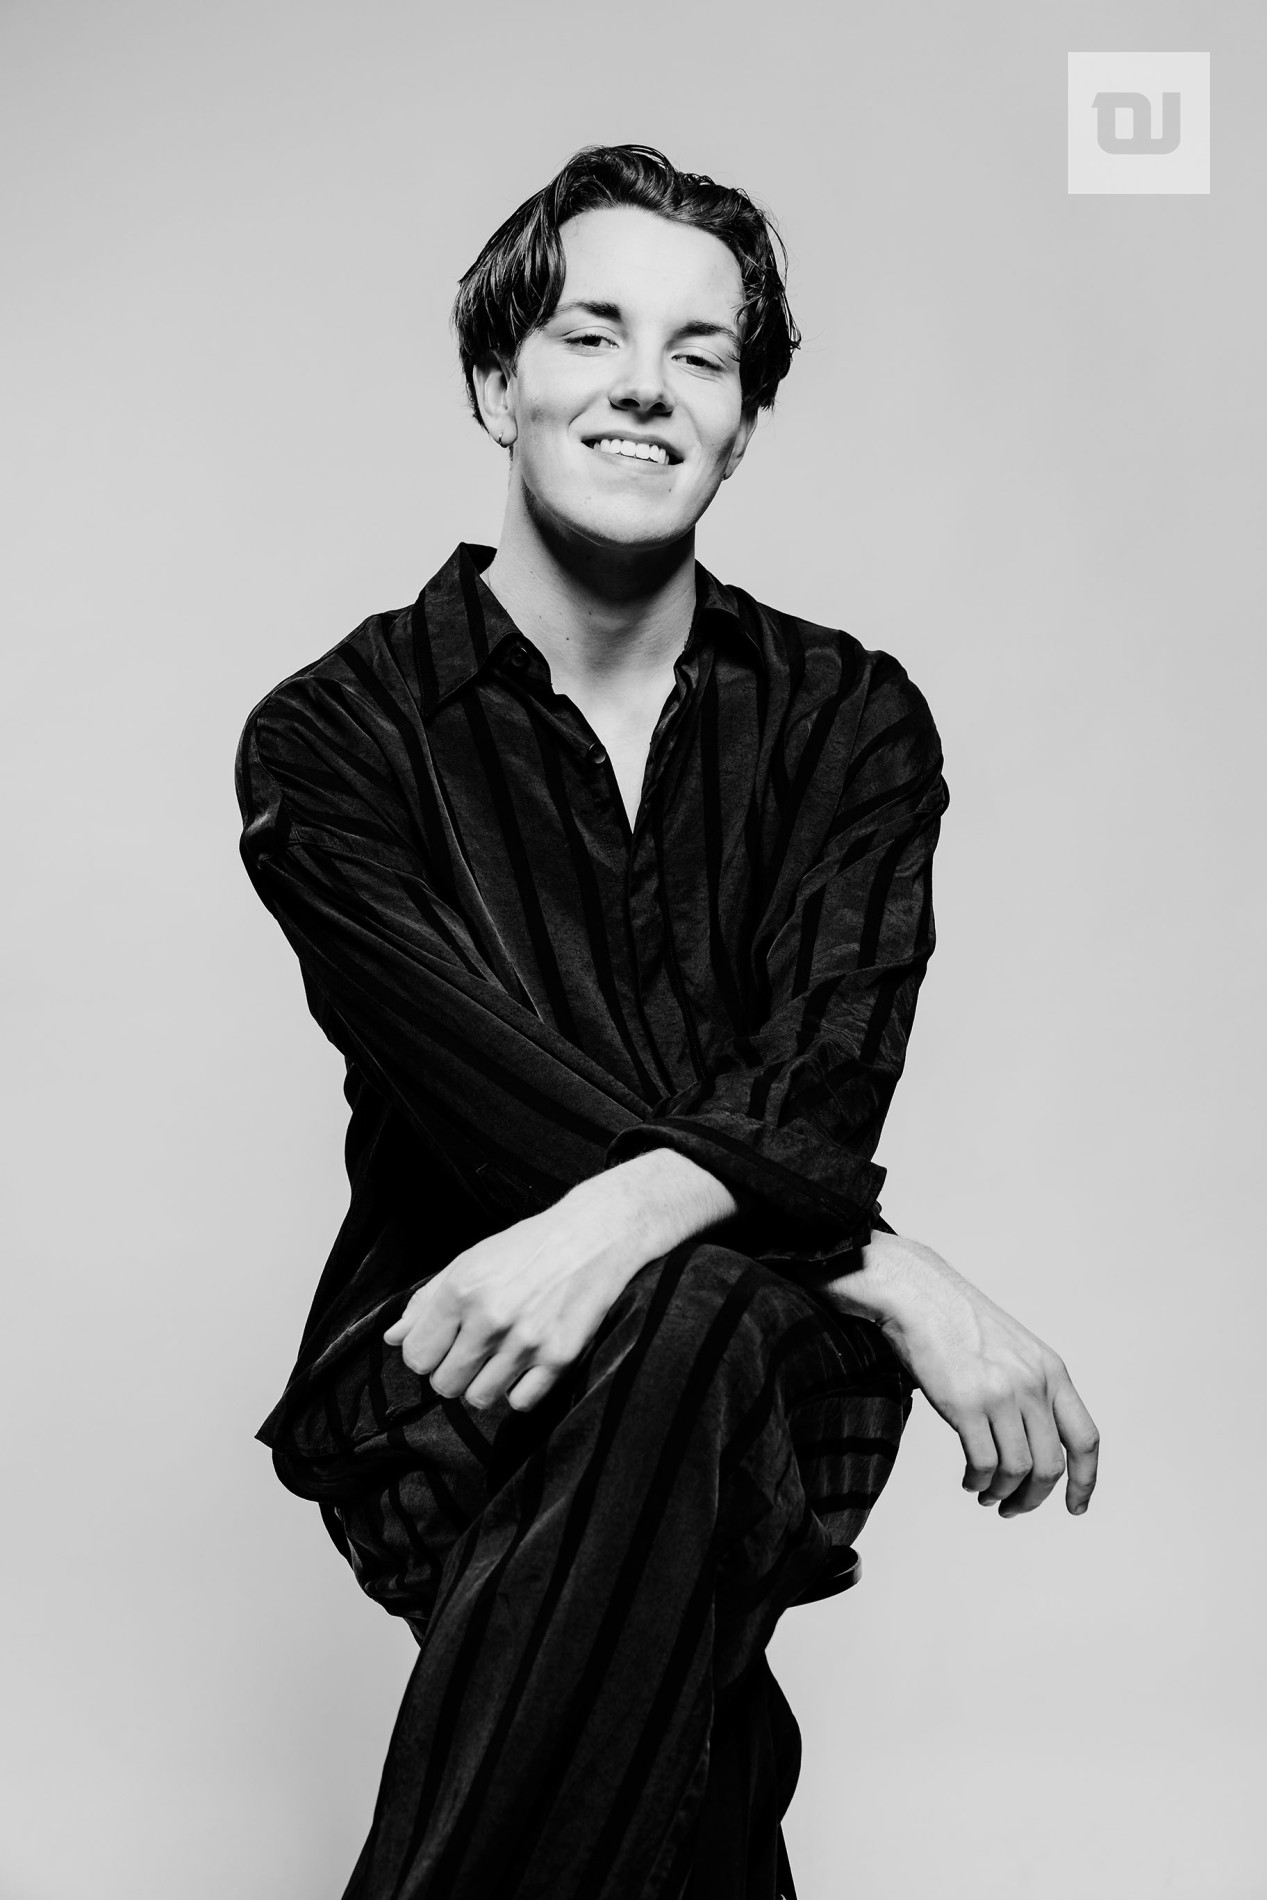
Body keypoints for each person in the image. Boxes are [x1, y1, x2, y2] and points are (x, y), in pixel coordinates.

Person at [236, 143, 1099, 1900]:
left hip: (761, 1377)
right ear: (498, 384)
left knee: (692, 1336)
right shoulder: (336, 738)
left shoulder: (850, 720)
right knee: (694, 1399)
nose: (645, 384)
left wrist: (639, 1219)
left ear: (743, 422)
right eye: (591, 333)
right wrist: (900, 1276)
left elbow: (827, 1079)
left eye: (700, 354)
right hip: (453, 1375)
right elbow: (489, 1089)